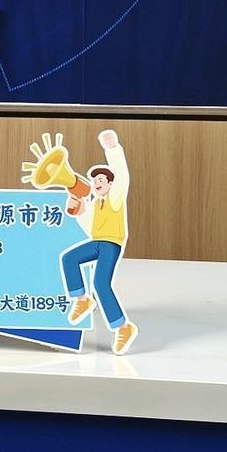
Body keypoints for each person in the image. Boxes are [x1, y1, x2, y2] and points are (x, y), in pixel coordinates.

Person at [59, 129, 137, 355]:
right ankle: (82, 299)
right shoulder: (96, 204)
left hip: (111, 244)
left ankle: (123, 327)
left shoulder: (115, 198)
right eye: (94, 181)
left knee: (101, 284)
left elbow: (122, 176)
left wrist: (112, 149)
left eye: (101, 180)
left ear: (111, 184)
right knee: (69, 258)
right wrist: (79, 211)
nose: (96, 183)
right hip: (98, 242)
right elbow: (90, 228)